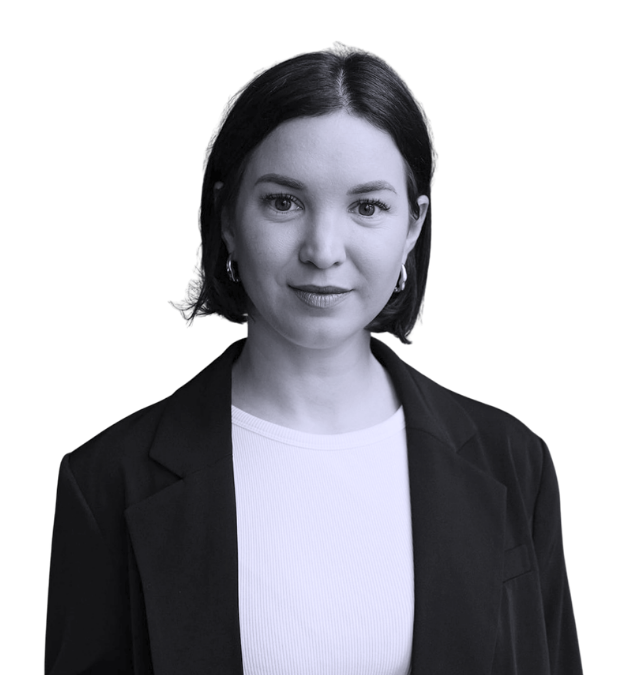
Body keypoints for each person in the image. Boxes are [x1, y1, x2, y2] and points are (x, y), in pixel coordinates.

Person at [44, 43, 583, 674]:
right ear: (227, 216)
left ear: (412, 227)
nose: (323, 250)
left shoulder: (515, 461)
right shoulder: (108, 481)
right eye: (284, 202)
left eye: (367, 207)